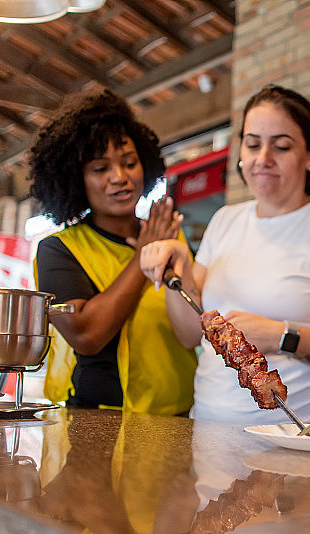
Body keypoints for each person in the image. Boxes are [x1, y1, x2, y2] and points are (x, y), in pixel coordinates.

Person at [140, 85, 310, 424]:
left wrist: (281, 336)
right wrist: (178, 268)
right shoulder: (225, 220)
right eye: (253, 144)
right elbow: (188, 334)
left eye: (281, 146)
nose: (263, 159)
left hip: (300, 436)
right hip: (210, 433)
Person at [30, 89, 197, 415]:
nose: (119, 177)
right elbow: (86, 334)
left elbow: (193, 323)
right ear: (76, 179)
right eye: (100, 168)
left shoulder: (168, 239)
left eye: (129, 163)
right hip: (96, 421)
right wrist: (142, 258)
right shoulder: (58, 250)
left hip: (179, 419)